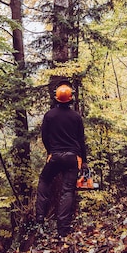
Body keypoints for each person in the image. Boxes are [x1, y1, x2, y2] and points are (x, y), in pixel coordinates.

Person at [35, 83, 87, 238]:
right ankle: (63, 229)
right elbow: (81, 140)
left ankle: (39, 219)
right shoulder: (76, 117)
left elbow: (45, 137)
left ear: (56, 98)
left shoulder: (49, 116)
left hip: (55, 156)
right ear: (70, 98)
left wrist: (51, 151)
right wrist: (84, 160)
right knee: (67, 191)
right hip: (72, 158)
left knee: (44, 181)